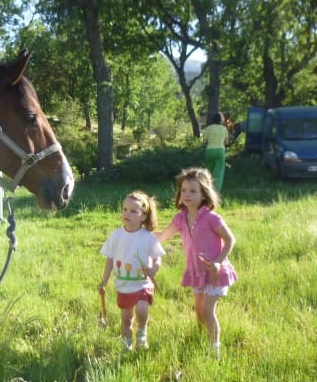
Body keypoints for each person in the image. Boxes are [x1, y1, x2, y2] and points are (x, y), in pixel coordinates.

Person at [156, 168, 237, 359]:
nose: (187, 195)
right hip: (196, 272)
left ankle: (214, 349)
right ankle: (202, 340)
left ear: (204, 194)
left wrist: (218, 262)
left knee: (208, 310)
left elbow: (230, 240)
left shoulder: (211, 218)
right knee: (199, 312)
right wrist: (139, 235)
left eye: (193, 191)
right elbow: (163, 236)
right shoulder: (180, 218)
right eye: (184, 190)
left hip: (215, 272)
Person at [99, 191, 165, 352]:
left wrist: (155, 267)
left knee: (142, 309)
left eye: (133, 211)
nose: (127, 213)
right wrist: (104, 280)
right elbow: (109, 259)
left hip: (143, 283)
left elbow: (157, 257)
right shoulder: (116, 235)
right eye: (125, 209)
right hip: (123, 286)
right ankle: (126, 345)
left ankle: (142, 333)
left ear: (143, 216)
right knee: (126, 320)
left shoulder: (147, 237)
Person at [202, 112, 230, 192]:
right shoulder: (224, 129)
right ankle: (216, 191)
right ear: (221, 120)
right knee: (218, 173)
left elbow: (204, 142)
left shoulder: (208, 128)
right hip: (220, 151)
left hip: (209, 150)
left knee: (208, 171)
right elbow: (227, 143)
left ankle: (206, 189)